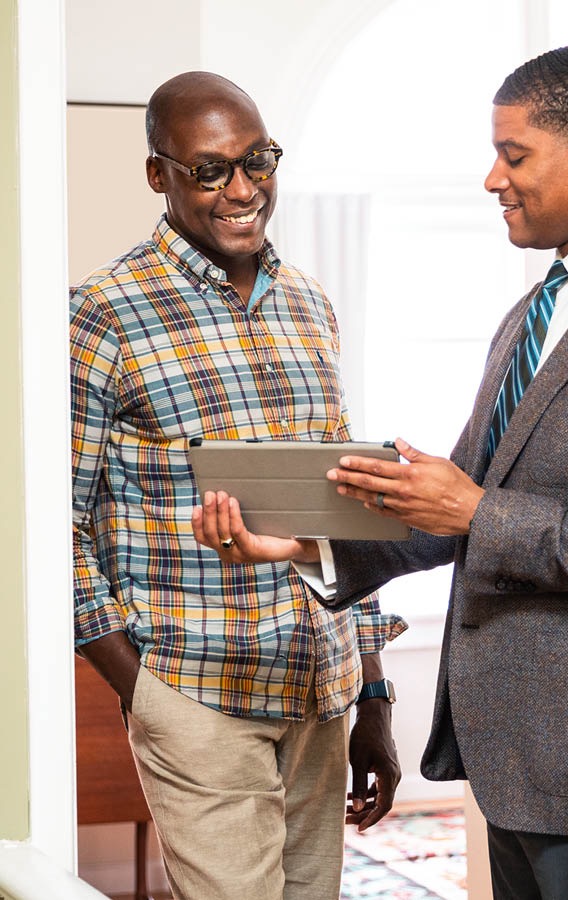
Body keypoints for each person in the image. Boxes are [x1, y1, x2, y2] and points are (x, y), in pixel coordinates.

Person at [194, 46, 568, 899]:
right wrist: (304, 544)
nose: (493, 178)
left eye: (514, 154)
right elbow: (451, 510)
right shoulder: (531, 311)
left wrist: (480, 508)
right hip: (510, 756)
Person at [71, 71, 405, 900]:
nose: (243, 189)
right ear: (160, 176)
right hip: (196, 690)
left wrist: (374, 699)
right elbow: (56, 527)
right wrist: (138, 687)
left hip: (319, 689)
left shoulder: (311, 306)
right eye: (210, 169)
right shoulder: (101, 315)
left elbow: (347, 506)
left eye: (259, 161)